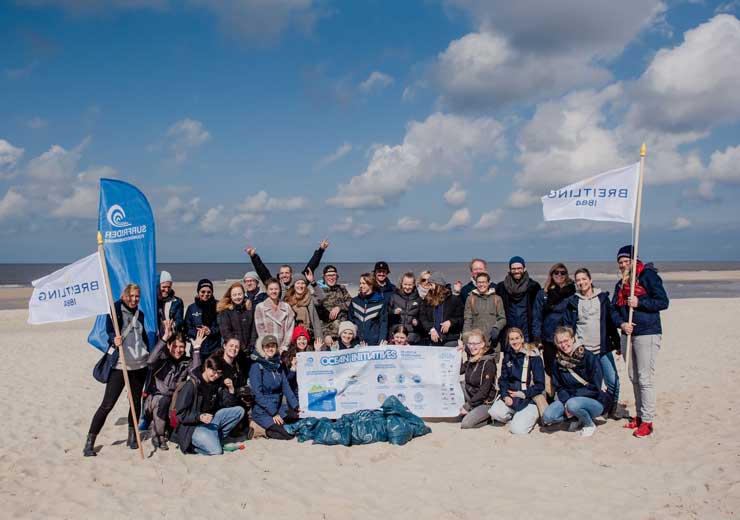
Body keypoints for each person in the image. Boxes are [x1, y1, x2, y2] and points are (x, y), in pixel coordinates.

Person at [84, 283, 150, 456]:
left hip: (139, 364)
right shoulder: (115, 310)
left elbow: (141, 336)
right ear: (125, 295)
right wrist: (115, 339)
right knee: (107, 404)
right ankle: (90, 441)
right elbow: (108, 332)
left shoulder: (140, 314)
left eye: (137, 296)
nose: (135, 299)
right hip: (121, 365)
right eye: (132, 296)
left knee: (135, 403)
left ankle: (132, 436)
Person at [611, 245, 669, 438]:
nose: (623, 265)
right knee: (633, 376)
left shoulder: (648, 276)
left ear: (635, 260)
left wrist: (640, 303)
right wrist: (621, 324)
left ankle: (648, 421)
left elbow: (662, 302)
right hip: (628, 334)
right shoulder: (620, 285)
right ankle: (638, 415)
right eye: (620, 262)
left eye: (626, 261)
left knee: (645, 378)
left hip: (647, 332)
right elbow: (614, 310)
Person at [563, 268, 621, 415]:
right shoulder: (573, 302)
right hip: (584, 352)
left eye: (583, 279)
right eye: (578, 280)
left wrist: (617, 343)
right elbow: (568, 326)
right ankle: (594, 409)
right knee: (591, 384)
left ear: (590, 280)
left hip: (603, 349)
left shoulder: (602, 298)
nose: (581, 282)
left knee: (613, 381)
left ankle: (611, 409)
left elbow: (610, 322)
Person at [143, 321, 203, 451]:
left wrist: (197, 349)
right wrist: (164, 338)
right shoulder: (162, 359)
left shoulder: (186, 362)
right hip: (156, 397)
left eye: (181, 347)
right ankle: (158, 434)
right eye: (175, 346)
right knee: (162, 401)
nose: (178, 350)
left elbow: (196, 373)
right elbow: (150, 361)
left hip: (174, 398)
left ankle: (163, 431)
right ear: (169, 346)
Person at [542, 326, 610, 437]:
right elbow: (558, 386)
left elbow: (595, 386)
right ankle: (577, 416)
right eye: (560, 342)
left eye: (566, 340)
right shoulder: (557, 362)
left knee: (572, 404)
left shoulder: (589, 357)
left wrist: (571, 399)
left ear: (573, 339)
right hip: (568, 398)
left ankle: (589, 424)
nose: (564, 345)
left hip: (593, 400)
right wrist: (566, 401)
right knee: (548, 416)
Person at [171, 354, 245, 455]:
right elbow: (181, 414)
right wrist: (199, 416)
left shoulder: (217, 383)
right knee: (217, 451)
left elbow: (227, 405)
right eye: (213, 372)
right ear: (206, 367)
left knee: (239, 411)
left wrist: (231, 390)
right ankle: (194, 447)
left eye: (219, 373)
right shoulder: (192, 384)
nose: (216, 376)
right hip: (193, 427)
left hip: (211, 421)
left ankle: (214, 437)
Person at [489, 328, 545, 435]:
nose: (514, 342)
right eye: (511, 339)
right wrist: (505, 395)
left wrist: (523, 394)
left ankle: (527, 417)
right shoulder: (508, 355)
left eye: (517, 338)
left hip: (529, 398)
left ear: (522, 338)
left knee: (517, 430)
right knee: (494, 413)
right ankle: (515, 415)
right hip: (511, 396)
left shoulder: (533, 356)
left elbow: (540, 385)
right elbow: (503, 379)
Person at [532, 263, 576, 396]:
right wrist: (537, 337)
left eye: (563, 273)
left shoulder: (572, 292)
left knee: (567, 368)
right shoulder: (543, 293)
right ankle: (552, 397)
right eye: (556, 273)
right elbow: (537, 316)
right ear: (551, 275)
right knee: (550, 370)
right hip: (548, 337)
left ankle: (568, 396)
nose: (559, 275)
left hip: (567, 337)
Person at [249, 335, 300, 440]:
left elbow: (286, 388)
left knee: (295, 427)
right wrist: (274, 413)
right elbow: (258, 395)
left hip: (277, 407)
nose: (270, 349)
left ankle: (270, 426)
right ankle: (259, 428)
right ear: (263, 348)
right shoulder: (257, 366)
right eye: (267, 346)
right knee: (288, 435)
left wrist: (296, 406)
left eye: (273, 346)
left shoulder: (277, 365)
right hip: (263, 410)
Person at [244, 239, 330, 295]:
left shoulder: (299, 284)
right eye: (282, 273)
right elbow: (263, 272)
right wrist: (254, 257)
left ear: (291, 275)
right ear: (279, 275)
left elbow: (311, 266)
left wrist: (321, 250)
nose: (284, 275)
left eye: (286, 273)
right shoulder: (275, 285)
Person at [211, 337, 254, 437]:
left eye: (236, 347)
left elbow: (241, 384)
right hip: (219, 400)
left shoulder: (237, 366)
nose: (234, 349)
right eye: (231, 346)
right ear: (224, 346)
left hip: (234, 397)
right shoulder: (217, 363)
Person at [495, 256, 541, 344]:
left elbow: (538, 311)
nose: (516, 271)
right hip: (509, 330)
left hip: (527, 329)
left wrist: (537, 334)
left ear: (524, 268)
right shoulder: (502, 287)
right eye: (513, 268)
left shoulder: (533, 286)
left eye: (519, 268)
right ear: (509, 269)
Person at [456, 329, 496, 429]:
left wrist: (468, 406)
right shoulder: (472, 358)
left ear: (482, 344)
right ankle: (471, 411)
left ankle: (488, 417)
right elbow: (459, 370)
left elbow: (483, 392)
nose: (472, 347)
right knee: (458, 384)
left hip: (484, 401)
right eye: (470, 344)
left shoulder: (488, 363)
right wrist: (459, 355)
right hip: (472, 396)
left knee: (466, 424)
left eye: (475, 344)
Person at [217, 282, 258, 373]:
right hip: (234, 350)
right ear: (230, 296)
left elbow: (254, 329)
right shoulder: (225, 312)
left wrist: (251, 345)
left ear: (244, 294)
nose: (237, 297)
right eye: (234, 295)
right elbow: (226, 332)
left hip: (250, 350)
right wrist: (240, 347)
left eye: (239, 294)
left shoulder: (250, 309)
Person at [463, 272, 506, 356]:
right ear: (476, 283)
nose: (481, 284)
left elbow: (502, 318)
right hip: (475, 345)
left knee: (490, 368)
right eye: (479, 282)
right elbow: (467, 320)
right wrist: (466, 340)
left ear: (488, 283)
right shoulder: (470, 299)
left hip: (492, 344)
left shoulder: (497, 299)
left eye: (484, 282)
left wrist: (497, 328)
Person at [419, 274, 464, 347]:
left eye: (431, 285)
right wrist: (431, 329)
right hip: (433, 339)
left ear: (438, 286)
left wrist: (450, 322)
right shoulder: (427, 300)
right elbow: (423, 317)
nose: (429, 288)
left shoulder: (454, 300)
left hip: (450, 338)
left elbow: (461, 317)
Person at [254, 278, 295, 351]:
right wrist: (269, 346)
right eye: (271, 289)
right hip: (267, 348)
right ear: (267, 291)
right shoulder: (260, 307)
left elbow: (290, 329)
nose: (274, 291)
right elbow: (260, 330)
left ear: (280, 290)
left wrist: (284, 346)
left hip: (283, 349)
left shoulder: (286, 307)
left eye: (276, 289)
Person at [316, 265, 352, 345]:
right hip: (328, 336)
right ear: (324, 277)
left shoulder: (341, 289)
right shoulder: (319, 292)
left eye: (333, 275)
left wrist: (339, 307)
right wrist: (326, 335)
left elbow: (351, 303)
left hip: (344, 335)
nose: (331, 278)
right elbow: (317, 318)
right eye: (329, 275)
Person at [184, 279, 221, 357]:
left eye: (209, 292)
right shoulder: (192, 308)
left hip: (214, 350)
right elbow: (187, 328)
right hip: (197, 349)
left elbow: (222, 327)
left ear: (212, 292)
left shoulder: (218, 306)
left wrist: (210, 331)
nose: (206, 294)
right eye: (203, 292)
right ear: (198, 292)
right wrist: (198, 333)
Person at [284, 270, 325, 340]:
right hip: (293, 336)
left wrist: (313, 282)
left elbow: (322, 297)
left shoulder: (310, 298)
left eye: (303, 283)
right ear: (294, 285)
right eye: (298, 283)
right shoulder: (288, 300)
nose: (300, 285)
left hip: (310, 335)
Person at [348, 273, 388, 345]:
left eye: (364, 283)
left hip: (374, 342)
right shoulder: (355, 301)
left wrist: (382, 340)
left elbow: (383, 323)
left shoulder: (381, 302)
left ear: (371, 284)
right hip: (357, 342)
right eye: (360, 283)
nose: (361, 286)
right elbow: (350, 321)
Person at [388, 272, 423, 344]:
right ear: (401, 284)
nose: (407, 287)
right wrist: (393, 313)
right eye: (405, 284)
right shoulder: (394, 297)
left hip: (412, 339)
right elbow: (386, 315)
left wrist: (417, 323)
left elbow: (423, 318)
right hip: (396, 339)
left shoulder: (418, 299)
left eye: (410, 285)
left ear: (414, 285)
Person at [156, 270, 184, 337]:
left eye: (169, 287)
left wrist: (172, 325)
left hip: (170, 336)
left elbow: (179, 319)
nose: (166, 290)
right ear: (158, 286)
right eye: (164, 287)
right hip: (155, 338)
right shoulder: (152, 302)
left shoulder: (177, 301)